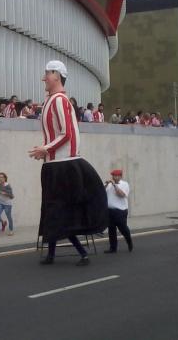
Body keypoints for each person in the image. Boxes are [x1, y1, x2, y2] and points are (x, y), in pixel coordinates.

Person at [28, 60, 108, 266]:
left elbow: (67, 133)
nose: (44, 77)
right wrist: (44, 152)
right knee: (52, 209)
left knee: (59, 210)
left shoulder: (59, 101)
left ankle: (80, 253)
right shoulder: (50, 101)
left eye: (47, 73)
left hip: (64, 165)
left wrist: (46, 149)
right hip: (54, 165)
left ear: (56, 75)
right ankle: (54, 254)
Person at [104, 170, 133, 253]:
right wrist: (106, 185)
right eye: (113, 175)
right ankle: (113, 248)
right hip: (110, 211)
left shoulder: (124, 184)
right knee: (111, 230)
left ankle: (129, 242)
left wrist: (114, 185)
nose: (114, 177)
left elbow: (121, 195)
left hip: (120, 211)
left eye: (116, 175)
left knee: (123, 228)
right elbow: (101, 192)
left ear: (120, 176)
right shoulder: (109, 185)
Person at [0, 173, 14, 237]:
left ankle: (11, 230)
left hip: (7, 204)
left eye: (2, 177)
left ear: (5, 178)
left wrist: (4, 193)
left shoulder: (8, 185)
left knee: (9, 217)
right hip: (0, 203)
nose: (0, 178)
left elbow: (12, 196)